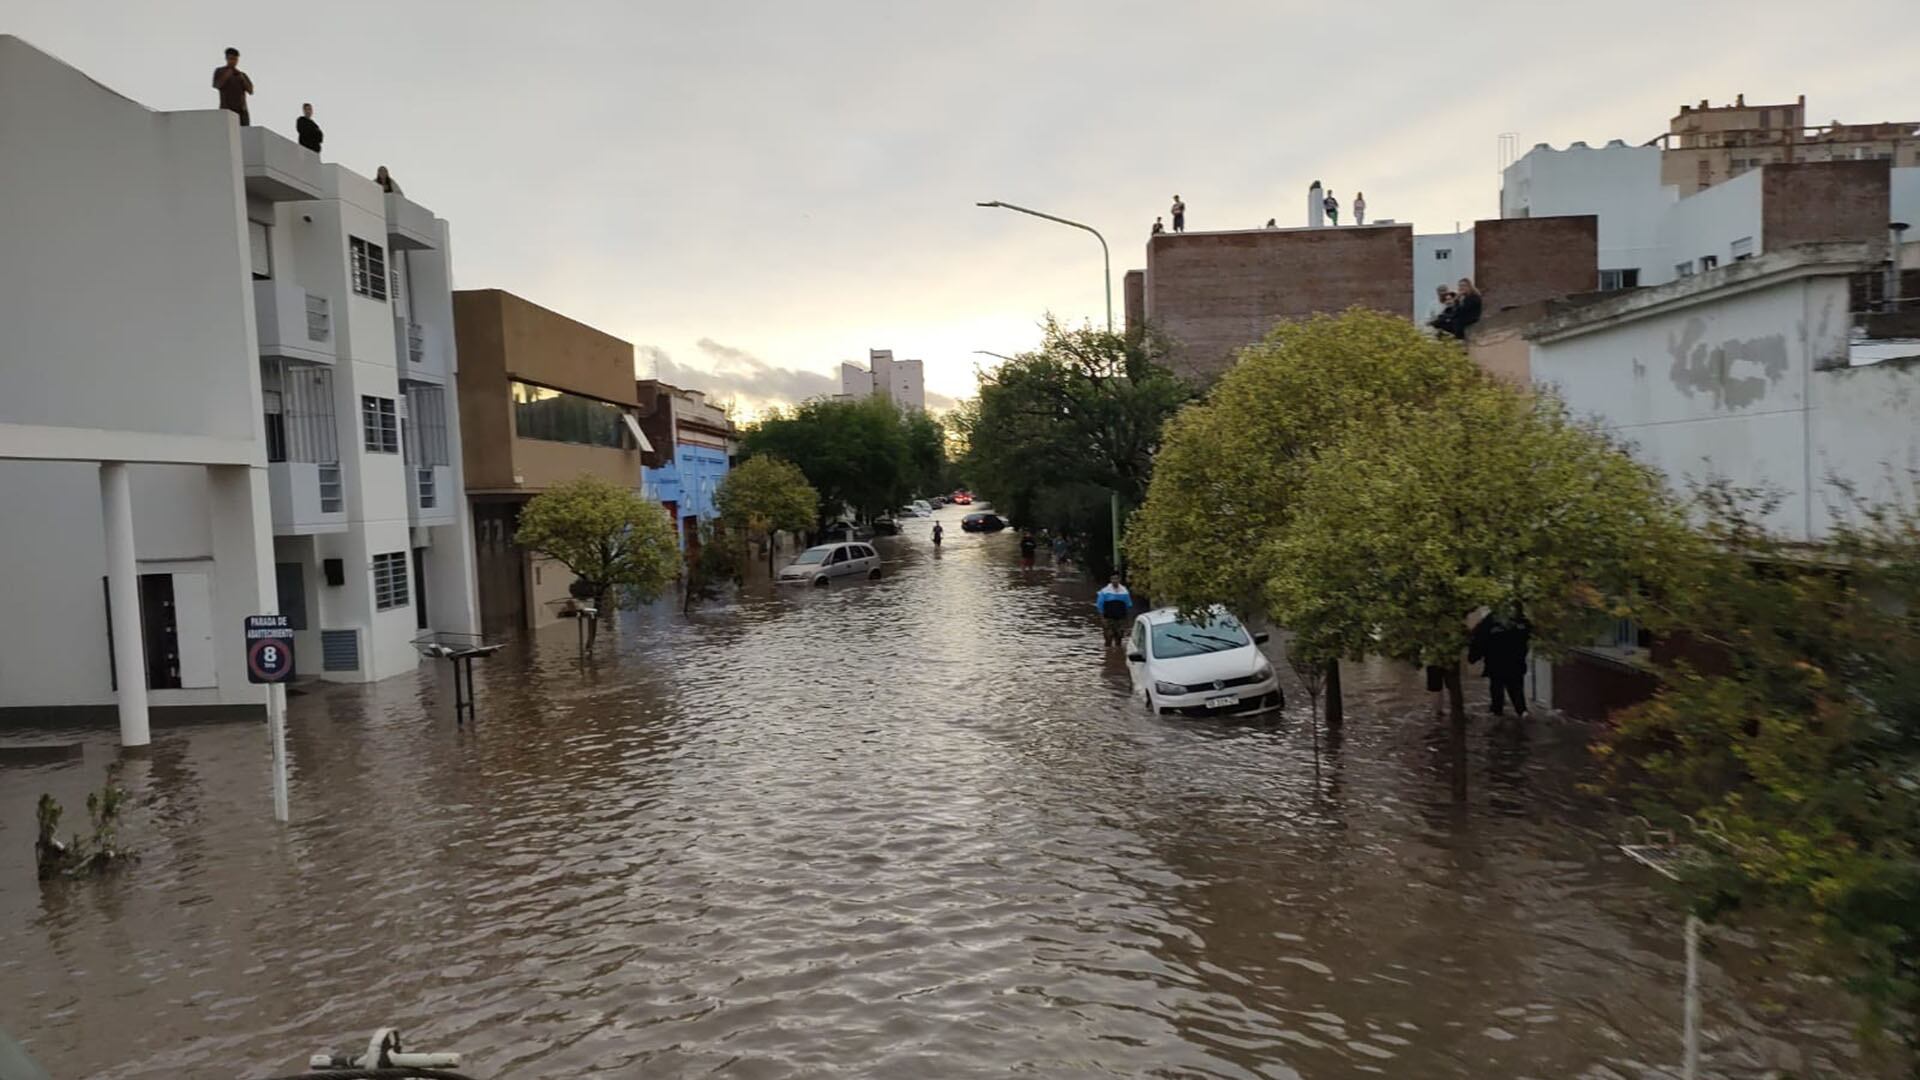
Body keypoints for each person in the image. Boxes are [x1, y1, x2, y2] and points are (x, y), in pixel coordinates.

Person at [1468, 607, 1532, 718]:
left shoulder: (1490, 620)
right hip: (1514, 665)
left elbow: (1479, 639)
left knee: (1499, 695)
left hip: (1497, 665)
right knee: (1516, 694)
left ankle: (1499, 718)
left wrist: (1473, 657)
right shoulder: (1519, 620)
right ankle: (1521, 715)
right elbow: (1528, 634)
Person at [211, 47, 253, 126]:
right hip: (227, 109)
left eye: (235, 59)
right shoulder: (220, 71)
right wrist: (227, 74)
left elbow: (250, 91)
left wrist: (241, 78)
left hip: (242, 111)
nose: (233, 62)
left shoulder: (242, 74)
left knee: (244, 133)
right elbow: (216, 85)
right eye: (231, 59)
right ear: (226, 59)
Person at [1096, 574, 1133, 647]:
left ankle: (1117, 654)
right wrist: (1102, 619)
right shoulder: (1104, 591)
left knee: (1119, 639)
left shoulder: (1124, 591)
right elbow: (1099, 606)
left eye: (1116, 579)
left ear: (1119, 580)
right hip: (1108, 619)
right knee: (1108, 639)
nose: (1115, 581)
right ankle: (1108, 655)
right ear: (1110, 580)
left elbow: (1128, 606)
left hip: (1120, 619)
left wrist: (1127, 621)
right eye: (1113, 579)